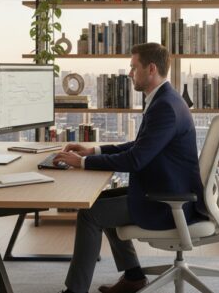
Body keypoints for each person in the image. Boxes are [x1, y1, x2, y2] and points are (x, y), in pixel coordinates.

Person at [53, 42, 205, 293]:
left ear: (151, 69)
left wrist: (81, 163)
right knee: (98, 201)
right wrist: (94, 151)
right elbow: (139, 146)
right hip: (162, 189)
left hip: (167, 202)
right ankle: (134, 277)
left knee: (90, 214)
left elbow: (135, 160)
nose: (130, 73)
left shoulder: (165, 106)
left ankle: (75, 291)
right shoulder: (166, 99)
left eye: (134, 67)